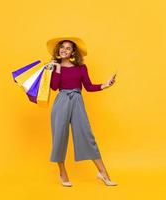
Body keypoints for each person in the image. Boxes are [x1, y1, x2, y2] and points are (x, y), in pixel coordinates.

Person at [45, 37, 117, 187]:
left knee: (86, 134)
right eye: (62, 47)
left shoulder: (81, 68)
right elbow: (54, 87)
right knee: (59, 136)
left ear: (73, 52)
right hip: (61, 101)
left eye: (68, 48)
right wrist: (56, 69)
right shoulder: (54, 66)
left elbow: (89, 87)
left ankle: (103, 173)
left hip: (77, 100)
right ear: (58, 49)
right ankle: (62, 173)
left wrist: (106, 85)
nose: (64, 50)